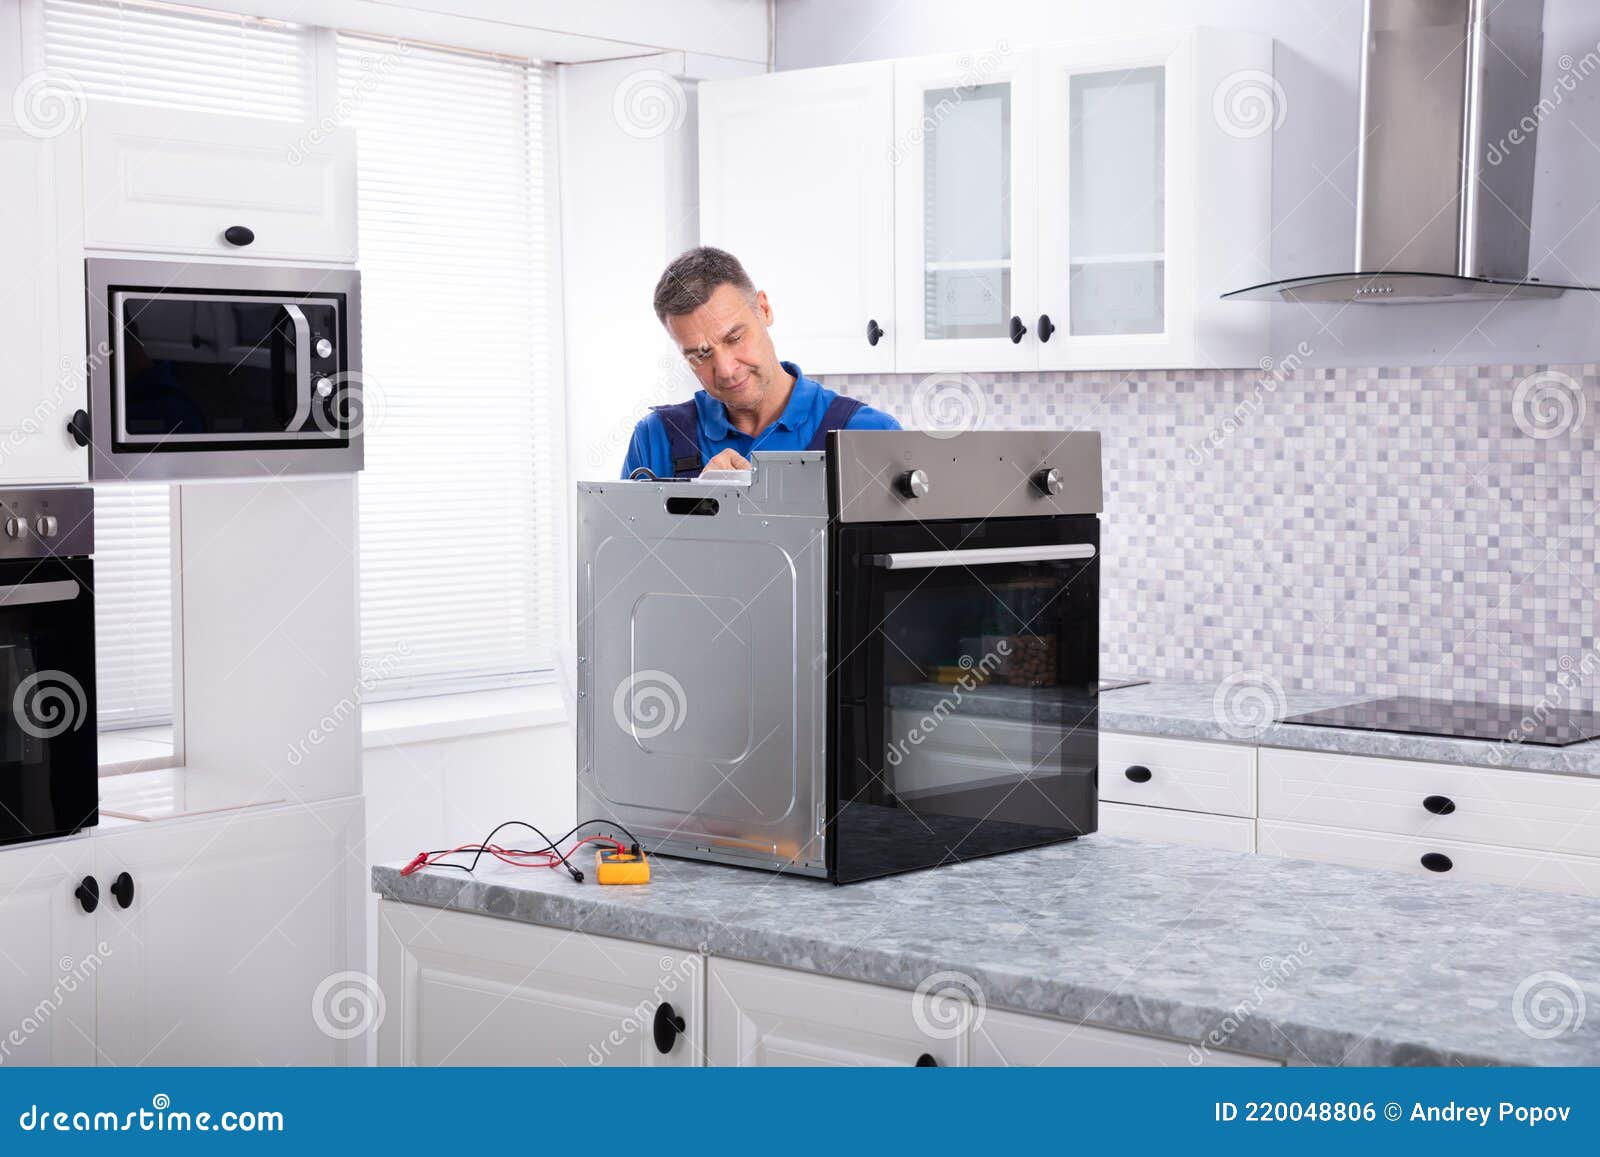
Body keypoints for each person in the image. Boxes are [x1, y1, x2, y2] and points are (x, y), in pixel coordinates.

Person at [621, 247, 899, 479]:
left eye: (735, 338)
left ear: (764, 309)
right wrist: (700, 505)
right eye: (700, 355)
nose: (727, 371)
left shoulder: (870, 435)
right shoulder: (654, 439)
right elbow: (621, 546)